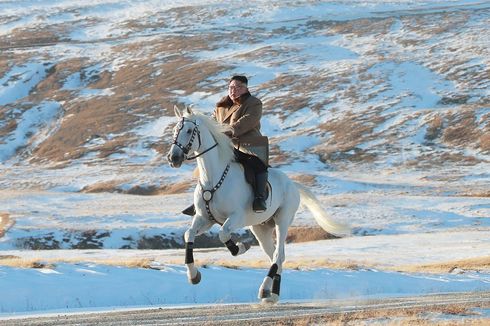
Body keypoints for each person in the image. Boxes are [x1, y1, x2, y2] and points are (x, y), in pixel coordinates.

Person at [182, 75, 269, 216]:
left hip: (247, 146)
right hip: (225, 146)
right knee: (206, 166)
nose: (234, 90)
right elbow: (213, 123)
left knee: (257, 165)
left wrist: (229, 130)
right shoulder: (221, 106)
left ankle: (259, 198)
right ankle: (202, 200)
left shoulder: (254, 103)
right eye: (231, 87)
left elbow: (247, 121)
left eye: (238, 87)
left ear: (246, 88)